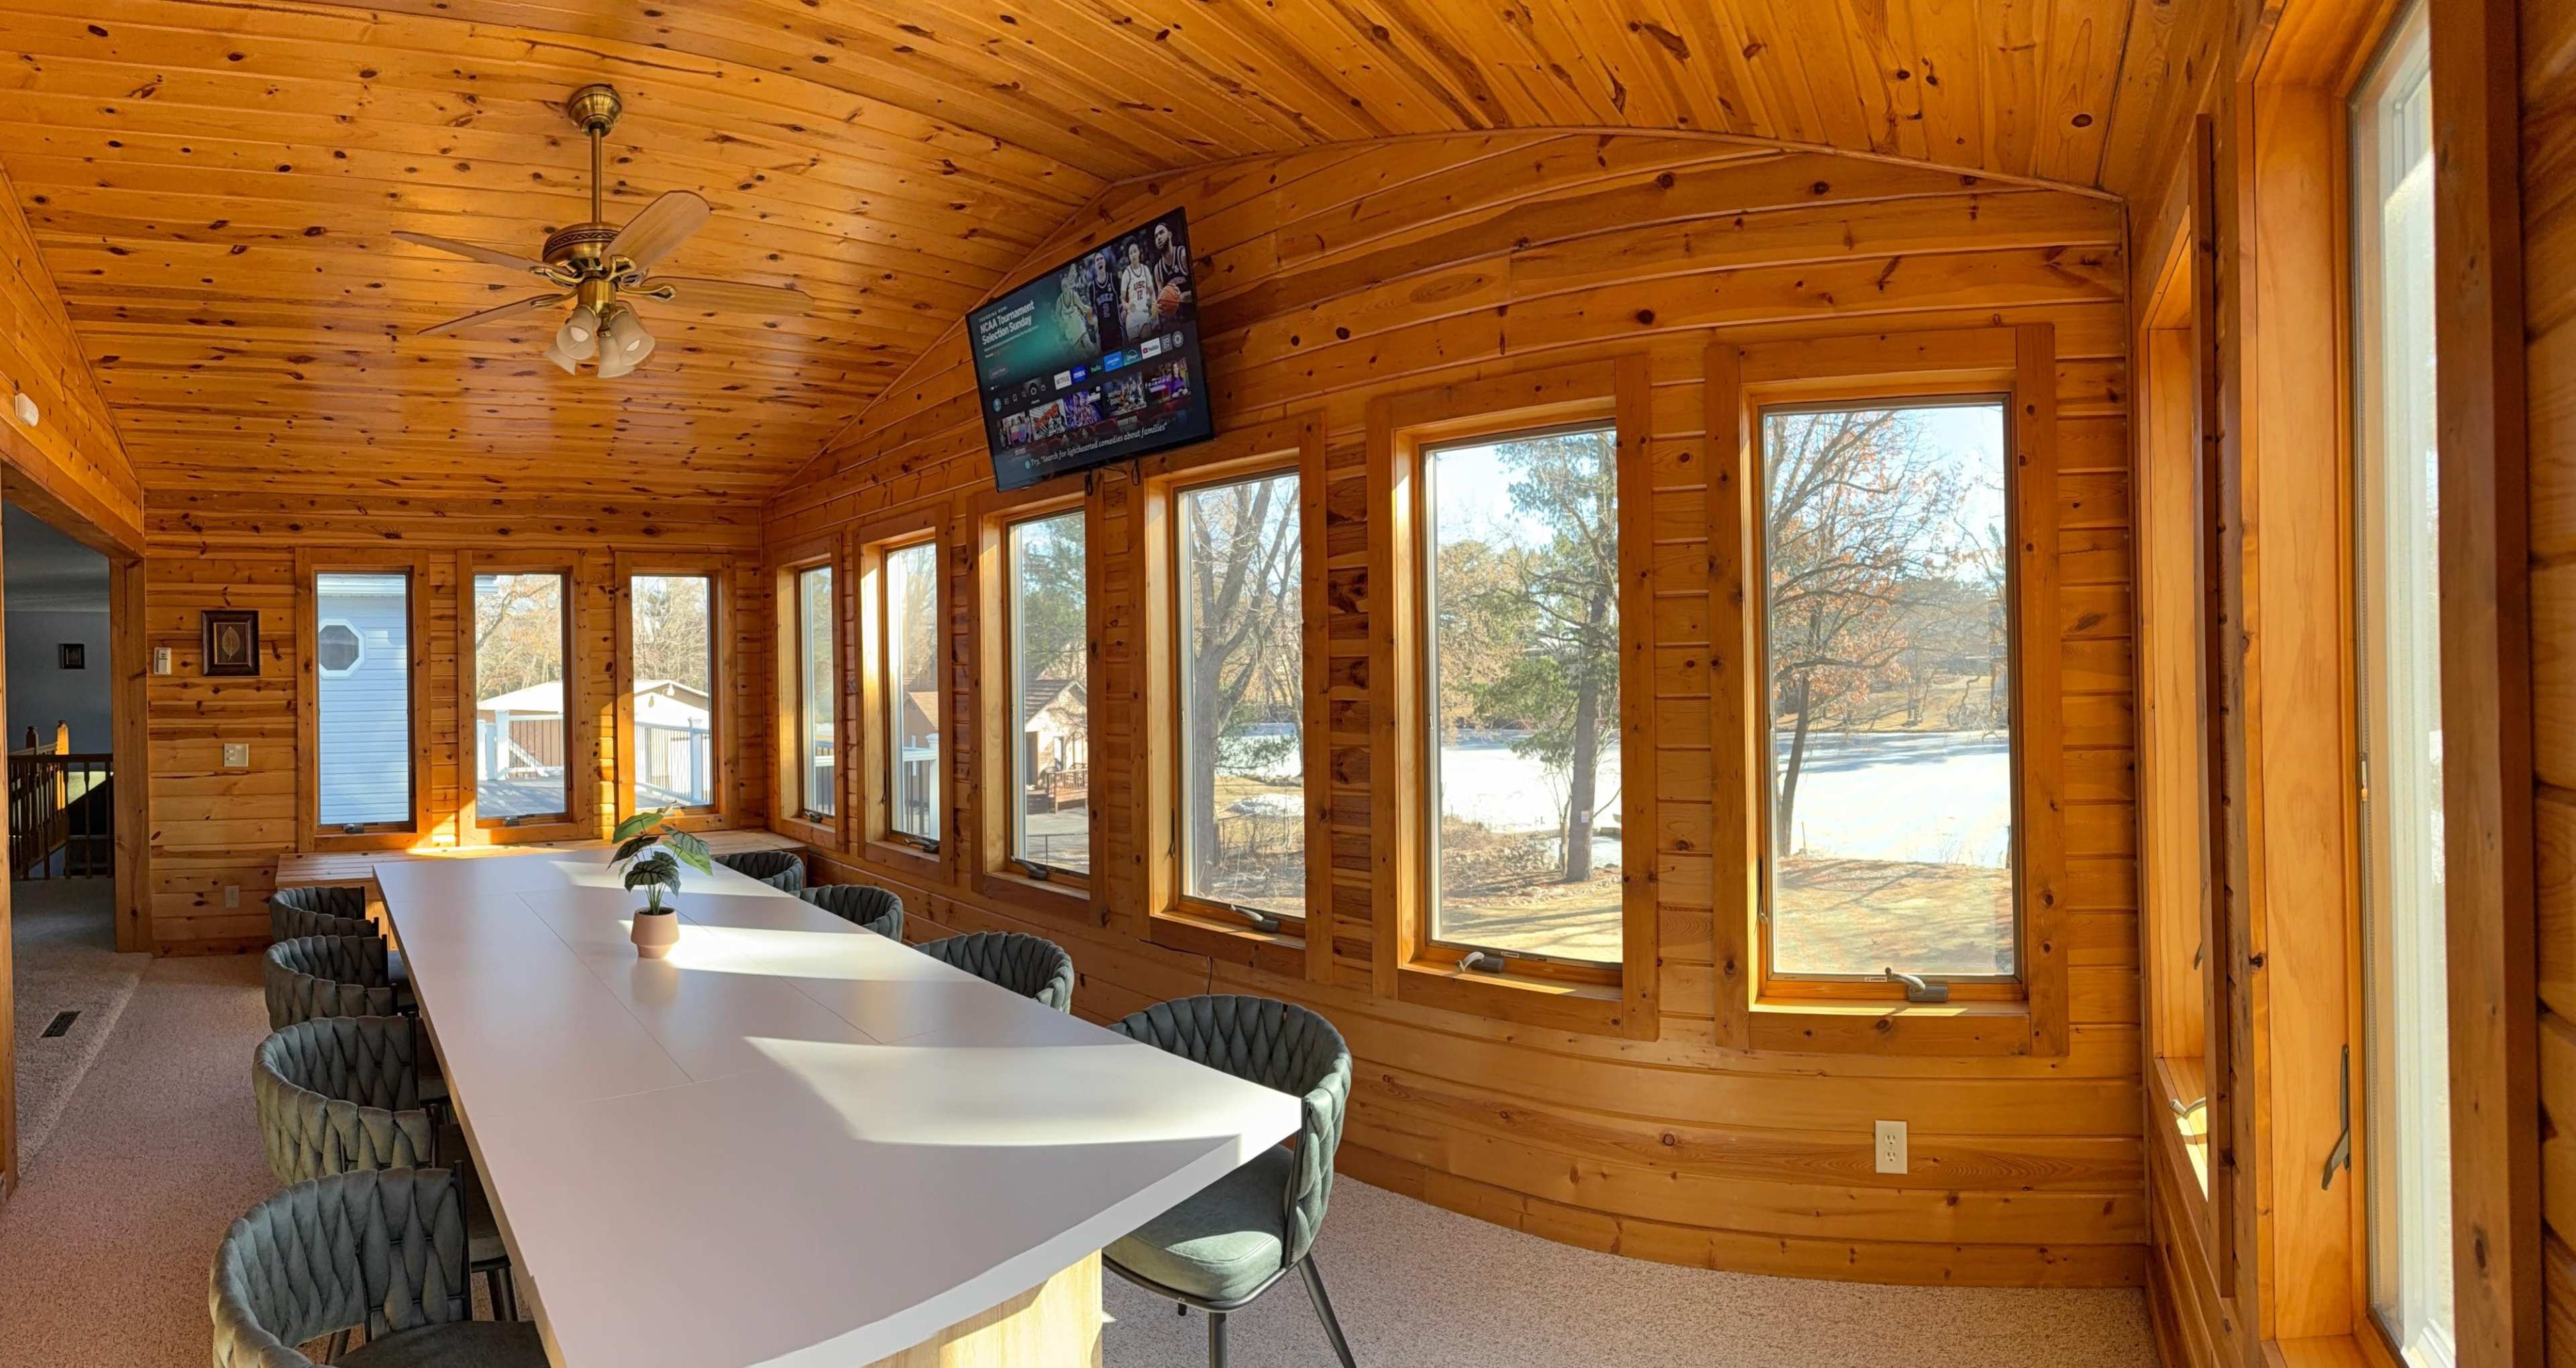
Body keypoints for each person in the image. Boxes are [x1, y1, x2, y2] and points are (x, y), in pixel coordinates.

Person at [1118, 241, 1158, 346]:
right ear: (1129, 256)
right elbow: (1122, 299)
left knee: (1148, 346)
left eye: (1135, 251)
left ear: (1139, 252)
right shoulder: (1126, 273)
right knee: (1137, 353)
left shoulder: (1145, 270)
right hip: (1132, 318)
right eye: (1131, 253)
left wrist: (1154, 304)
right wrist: (1127, 305)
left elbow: (1152, 292)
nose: (1133, 254)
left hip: (1143, 314)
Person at [1055, 264, 1096, 353]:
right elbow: (1057, 314)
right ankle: (1089, 366)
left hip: (1077, 322)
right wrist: (1062, 323)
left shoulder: (1074, 295)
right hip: (1069, 328)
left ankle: (1098, 357)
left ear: (1069, 286)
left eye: (1066, 286)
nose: (1065, 288)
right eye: (1063, 287)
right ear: (1061, 288)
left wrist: (1089, 309)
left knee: (1088, 343)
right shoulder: (1059, 301)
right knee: (1080, 352)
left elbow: (1082, 307)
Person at [1087, 250, 1122, 352]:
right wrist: (1093, 321)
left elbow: (1122, 301)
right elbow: (1091, 313)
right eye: (1097, 260)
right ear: (1095, 265)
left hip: (1117, 329)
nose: (1100, 261)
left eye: (1101, 258)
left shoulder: (1114, 280)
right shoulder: (1092, 288)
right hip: (1103, 334)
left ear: (1105, 262)